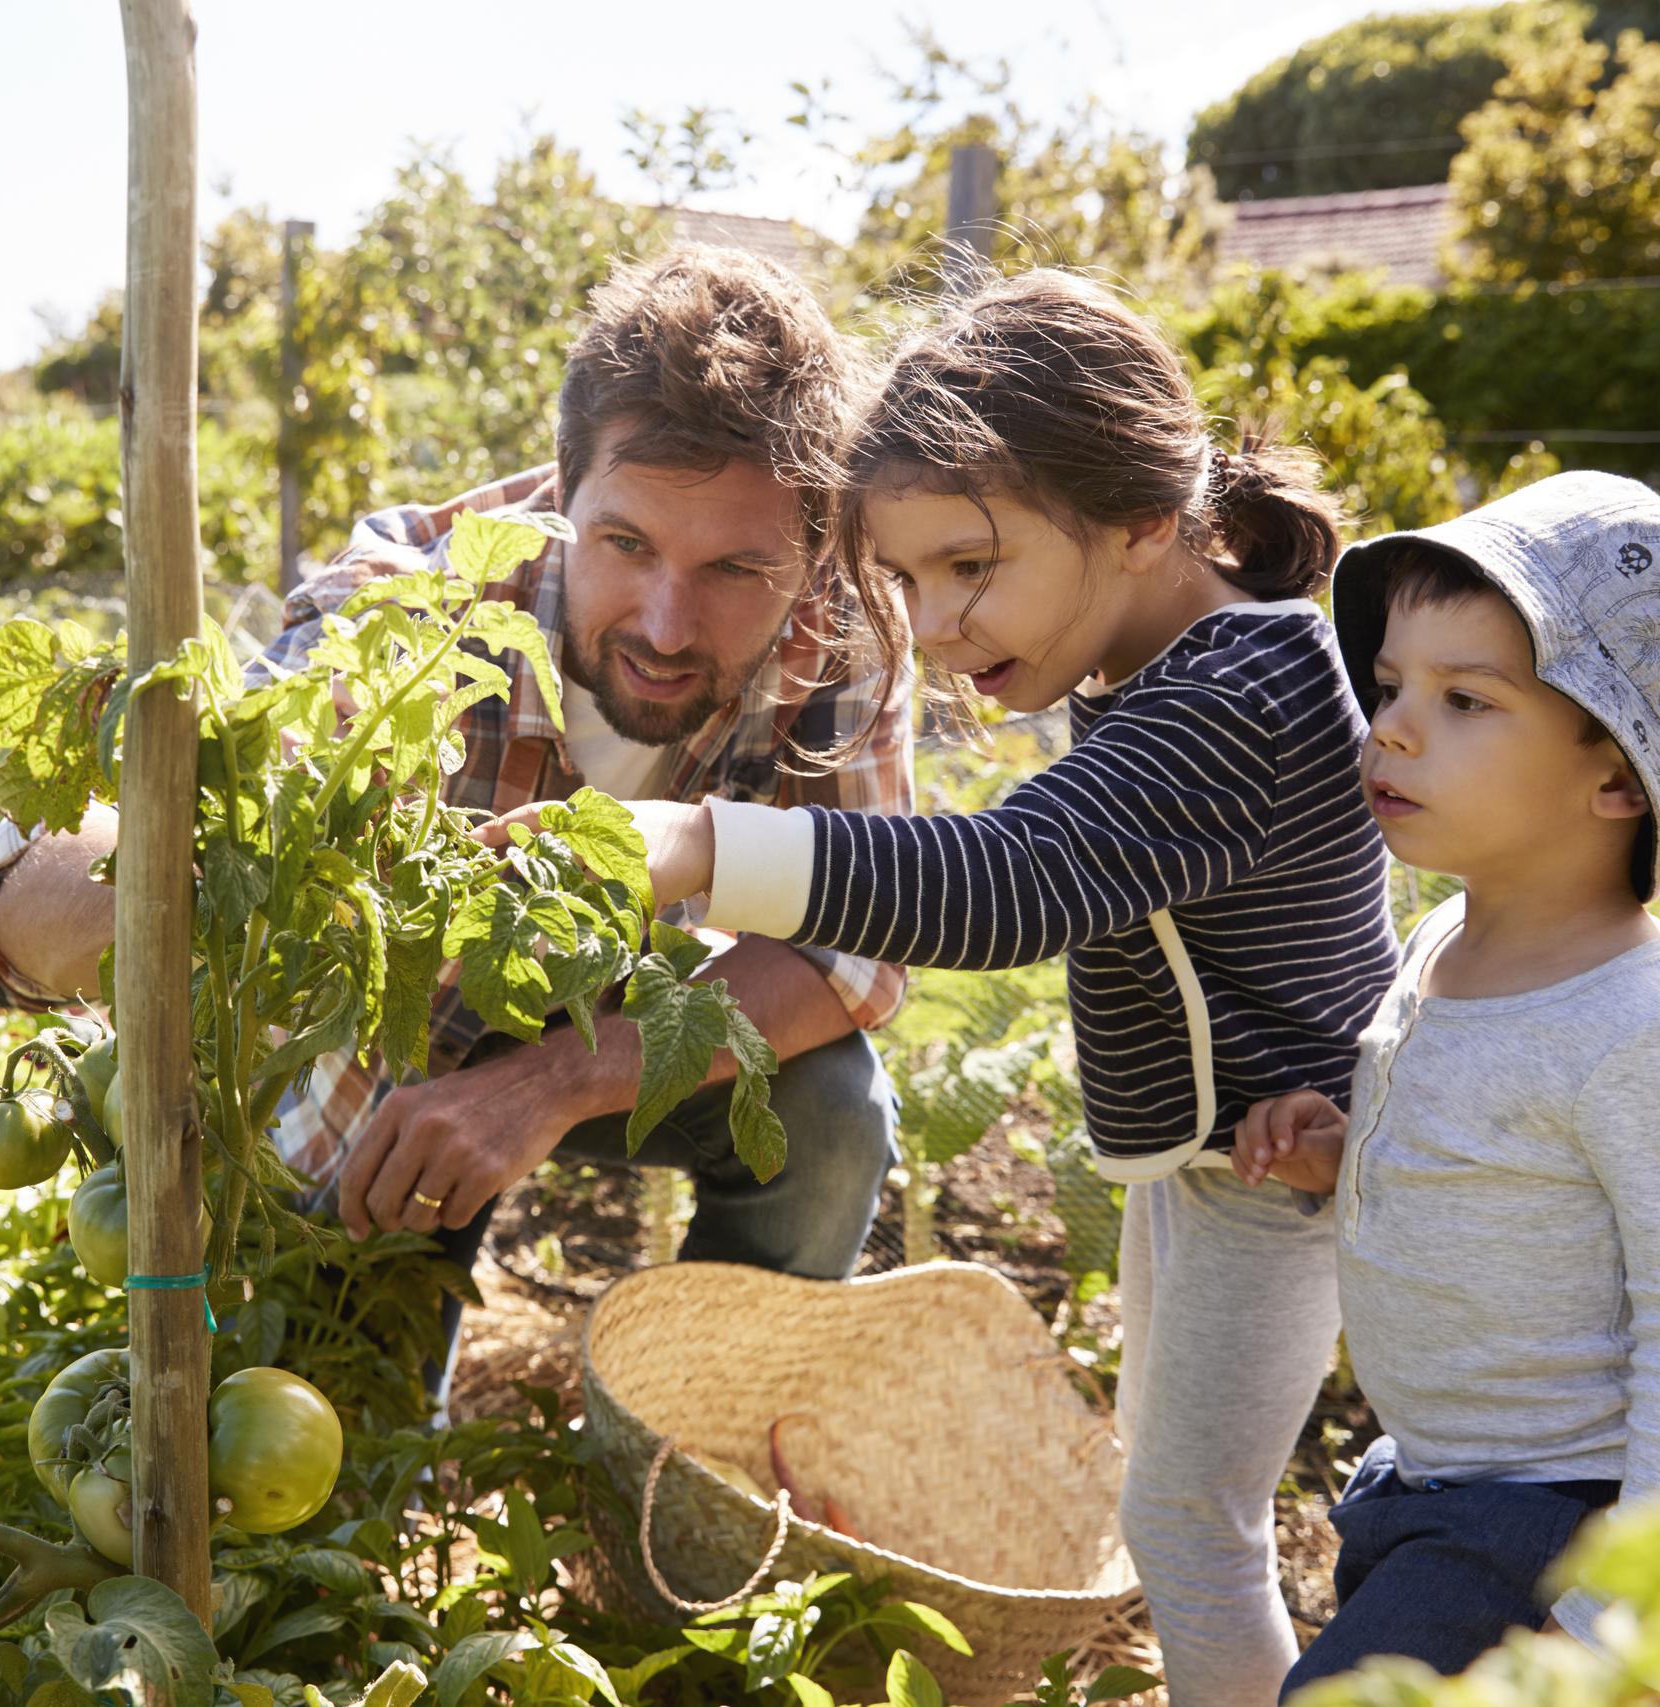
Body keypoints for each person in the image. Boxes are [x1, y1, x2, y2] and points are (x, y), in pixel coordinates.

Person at [520, 269, 1404, 1706]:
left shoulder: (1240, 689)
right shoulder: (1179, 668)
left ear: (1141, 517)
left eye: (970, 565)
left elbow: (1004, 880)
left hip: (1282, 1183)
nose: (930, 623)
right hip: (1225, 1166)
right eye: (907, 577)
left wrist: (692, 845)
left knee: (1198, 1521)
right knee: (1195, 1508)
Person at [0, 246, 916, 1402]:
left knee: (830, 1115)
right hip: (400, 1060)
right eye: (626, 545)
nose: (668, 624)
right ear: (561, 487)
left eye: (736, 568)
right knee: (339, 1439)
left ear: (813, 543)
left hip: (623, 1022)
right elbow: (36, 899)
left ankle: (694, 1450)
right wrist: (148, 889)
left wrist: (551, 1083)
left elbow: (852, 946)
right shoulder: (412, 606)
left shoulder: (847, 632)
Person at [1232, 472, 1660, 1694]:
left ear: (1617, 780)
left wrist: (1609, 1622)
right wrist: (1347, 1150)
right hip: (1427, 1483)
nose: (1393, 727)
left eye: (1464, 698)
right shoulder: (1443, 943)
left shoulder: (1647, 1032)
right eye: (1390, 687)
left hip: (1551, 1527)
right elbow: (1491, 1162)